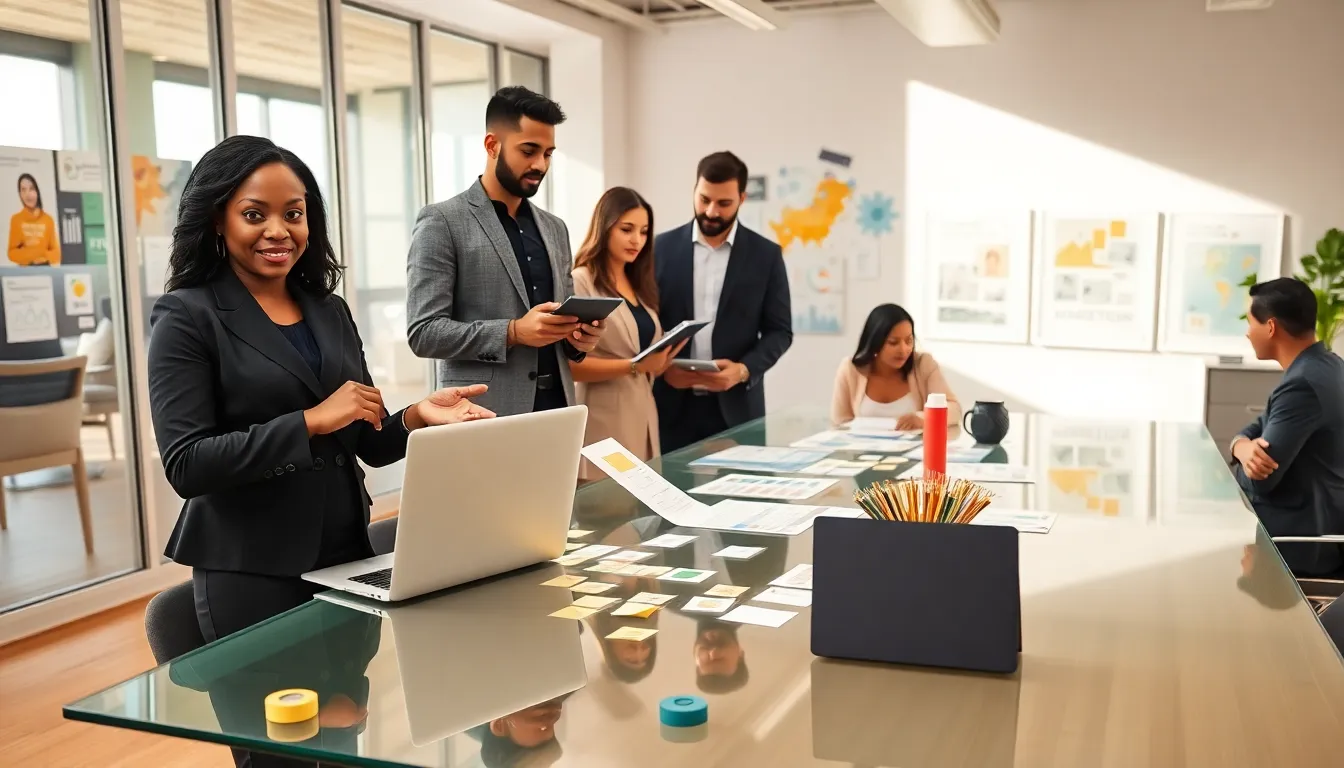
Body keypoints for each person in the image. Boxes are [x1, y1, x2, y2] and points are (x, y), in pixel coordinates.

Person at [146, 136, 494, 735]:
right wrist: (309, 421)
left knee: (343, 741)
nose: (278, 229)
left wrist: (414, 417)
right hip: (253, 575)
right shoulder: (187, 316)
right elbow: (188, 464)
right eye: (255, 214)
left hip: (346, 562)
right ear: (217, 220)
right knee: (283, 751)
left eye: (294, 213)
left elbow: (362, 438)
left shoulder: (327, 310)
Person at [406, 86, 604, 417]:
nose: (540, 164)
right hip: (482, 412)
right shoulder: (442, 221)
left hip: (559, 410)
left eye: (548, 153)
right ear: (492, 144)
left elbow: (561, 326)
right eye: (529, 151)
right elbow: (424, 332)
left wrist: (579, 339)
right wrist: (513, 332)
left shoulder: (555, 229)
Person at [653, 151, 792, 452]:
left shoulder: (766, 256)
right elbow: (644, 322)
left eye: (724, 203)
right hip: (670, 406)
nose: (711, 211)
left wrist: (743, 370)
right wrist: (661, 368)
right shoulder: (658, 249)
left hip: (738, 408)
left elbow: (780, 331)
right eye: (704, 199)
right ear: (694, 191)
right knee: (667, 497)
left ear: (742, 198)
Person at [1230, 277, 1344, 575]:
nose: (1247, 333)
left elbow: (1259, 482)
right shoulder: (1328, 365)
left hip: (1295, 547)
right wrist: (1241, 446)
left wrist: (1243, 457)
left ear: (1270, 327)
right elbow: (1260, 423)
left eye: (1251, 323)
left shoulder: (1302, 384)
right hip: (1320, 528)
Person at [570, 187, 685, 481]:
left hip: (643, 418)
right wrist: (634, 366)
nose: (637, 240)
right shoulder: (581, 281)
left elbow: (642, 354)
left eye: (644, 232)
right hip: (604, 423)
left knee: (643, 521)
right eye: (627, 229)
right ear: (605, 226)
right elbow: (572, 366)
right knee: (609, 518)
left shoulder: (638, 284)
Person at [831, 303, 961, 429]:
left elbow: (955, 410)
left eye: (909, 341)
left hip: (913, 449)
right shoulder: (850, 369)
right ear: (875, 343)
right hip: (862, 449)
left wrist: (923, 418)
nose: (903, 350)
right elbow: (839, 423)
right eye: (893, 342)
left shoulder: (923, 365)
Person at [7, 173, 60, 265]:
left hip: (45, 270)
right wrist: (34, 254)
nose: (27, 194)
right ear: (20, 194)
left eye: (31, 189)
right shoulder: (16, 219)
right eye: (23, 190)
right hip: (25, 272)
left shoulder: (48, 220)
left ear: (37, 191)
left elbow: (56, 254)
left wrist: (43, 256)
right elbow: (12, 253)